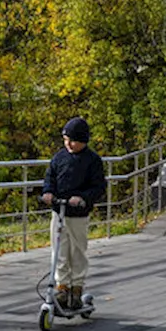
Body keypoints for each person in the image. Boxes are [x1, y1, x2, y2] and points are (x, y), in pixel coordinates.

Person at [40, 117, 106, 311]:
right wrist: (48, 192)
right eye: (66, 139)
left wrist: (82, 197)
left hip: (78, 214)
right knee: (59, 251)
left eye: (73, 140)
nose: (68, 143)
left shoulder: (92, 160)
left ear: (84, 141)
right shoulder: (59, 157)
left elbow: (98, 186)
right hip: (58, 212)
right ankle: (62, 287)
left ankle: (76, 288)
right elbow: (49, 177)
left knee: (77, 251)